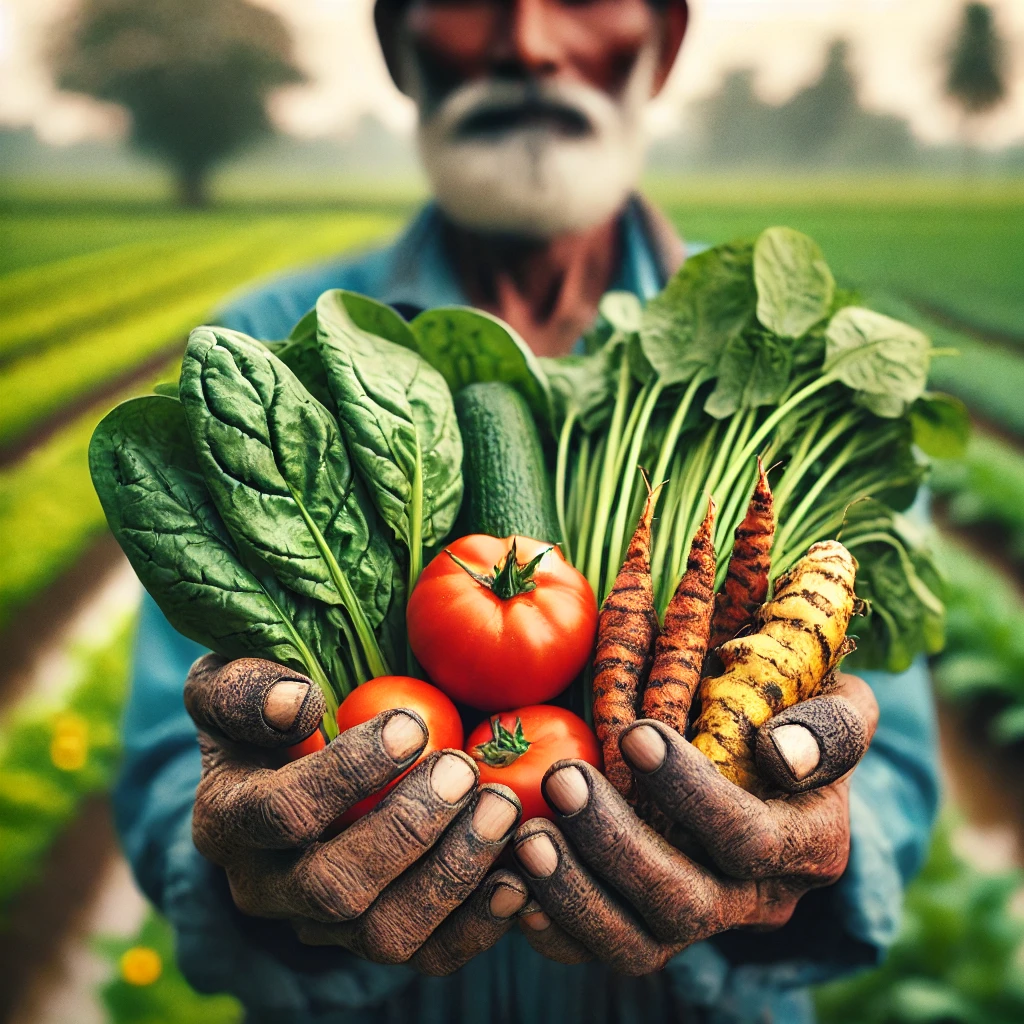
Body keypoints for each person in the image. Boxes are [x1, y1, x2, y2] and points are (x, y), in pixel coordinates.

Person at [115, 1, 939, 1021]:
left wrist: (792, 863)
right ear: (395, 41)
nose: (530, 44)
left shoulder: (801, 374)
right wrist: (257, 867)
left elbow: (892, 766)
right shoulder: (266, 342)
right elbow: (167, 759)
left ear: (665, 38)